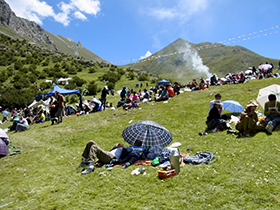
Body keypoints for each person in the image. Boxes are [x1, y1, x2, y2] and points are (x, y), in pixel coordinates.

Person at [78, 140, 146, 174]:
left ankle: (90, 165)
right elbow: (111, 151)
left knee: (94, 147)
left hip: (111, 158)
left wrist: (123, 148)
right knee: (91, 142)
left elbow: (125, 157)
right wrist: (115, 147)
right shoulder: (128, 147)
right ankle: (85, 160)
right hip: (108, 153)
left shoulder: (130, 149)